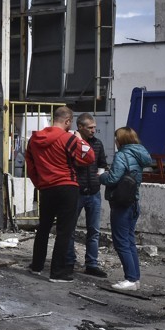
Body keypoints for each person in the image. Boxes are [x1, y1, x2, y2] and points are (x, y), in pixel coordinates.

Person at [25, 105, 95, 283]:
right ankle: (57, 272)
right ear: (68, 121)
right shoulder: (67, 139)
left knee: (43, 228)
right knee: (64, 230)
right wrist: (81, 139)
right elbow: (89, 157)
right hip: (67, 186)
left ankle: (37, 266)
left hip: (46, 188)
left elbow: (30, 166)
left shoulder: (34, 140)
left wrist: (40, 184)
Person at [99, 127, 154, 292]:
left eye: (116, 138)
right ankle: (135, 279)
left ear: (121, 140)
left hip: (121, 203)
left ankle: (130, 279)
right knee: (129, 242)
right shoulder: (140, 154)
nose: (115, 141)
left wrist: (101, 176)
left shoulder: (122, 154)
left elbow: (114, 178)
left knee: (121, 242)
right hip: (133, 201)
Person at [67, 113, 108, 277]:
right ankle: (69, 261)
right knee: (69, 229)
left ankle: (91, 264)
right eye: (90, 127)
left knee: (94, 231)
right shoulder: (72, 144)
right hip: (76, 192)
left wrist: (98, 178)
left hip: (94, 193)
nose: (93, 130)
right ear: (80, 127)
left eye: (94, 127)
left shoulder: (97, 144)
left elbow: (102, 164)